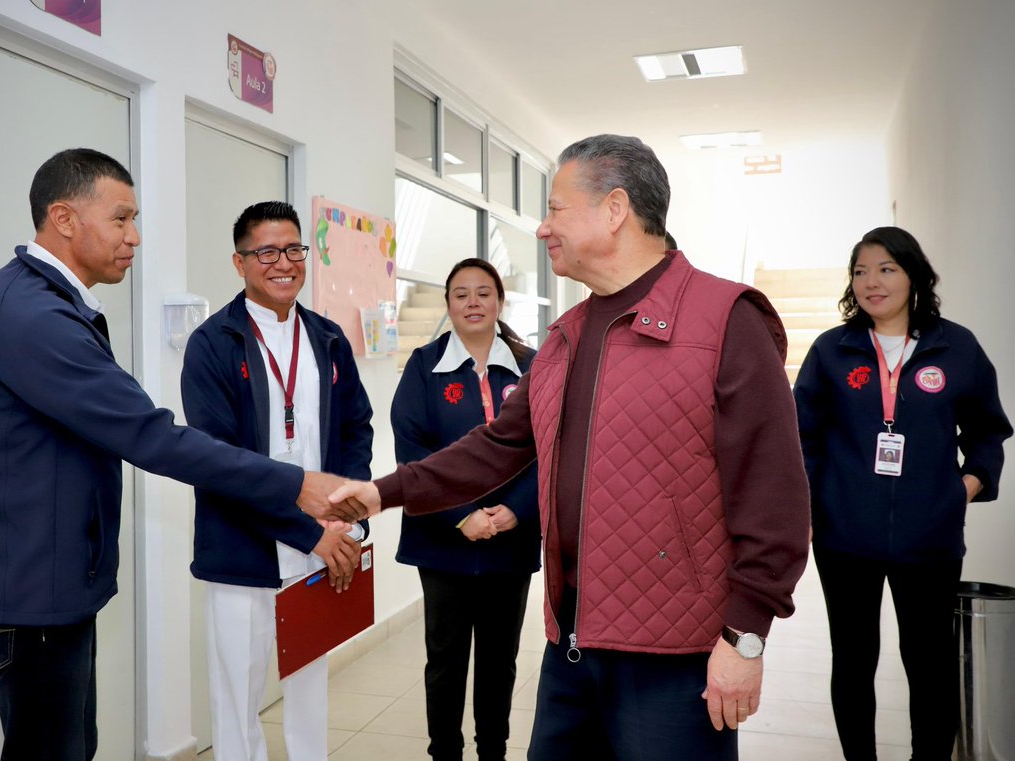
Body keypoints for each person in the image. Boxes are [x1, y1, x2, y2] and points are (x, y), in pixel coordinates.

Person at [329, 134, 810, 760]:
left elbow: (772, 492)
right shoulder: (568, 335)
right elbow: (500, 445)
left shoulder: (725, 319)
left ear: (614, 209)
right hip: (572, 643)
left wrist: (747, 635)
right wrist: (380, 493)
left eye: (556, 209)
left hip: (676, 653)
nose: (541, 228)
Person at [0, 150, 348, 761]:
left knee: (69, 743)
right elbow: (153, 436)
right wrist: (296, 486)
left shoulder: (51, 302)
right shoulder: (33, 314)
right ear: (64, 218)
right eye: (122, 219)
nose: (134, 238)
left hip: (52, 578)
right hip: (33, 583)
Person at [793, 226, 1010, 761]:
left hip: (930, 537)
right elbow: (801, 437)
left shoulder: (955, 347)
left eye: (886, 269)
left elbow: (988, 429)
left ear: (915, 276)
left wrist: (966, 486)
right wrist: (815, 504)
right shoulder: (832, 351)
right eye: (861, 271)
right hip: (844, 538)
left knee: (929, 663)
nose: (872, 282)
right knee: (853, 659)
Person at [180, 201, 372, 761]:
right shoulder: (213, 344)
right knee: (237, 696)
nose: (282, 262)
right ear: (240, 262)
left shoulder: (328, 338)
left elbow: (356, 426)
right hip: (244, 546)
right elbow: (220, 465)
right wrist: (310, 530)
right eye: (266, 251)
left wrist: (344, 512)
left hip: (321, 545)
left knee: (310, 686)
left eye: (293, 249)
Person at [391, 258, 541, 761]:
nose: (473, 302)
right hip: (443, 541)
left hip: (511, 538)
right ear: (448, 305)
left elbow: (552, 448)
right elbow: (412, 452)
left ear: (500, 301)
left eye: (483, 292)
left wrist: (517, 511)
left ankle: (493, 752)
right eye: (461, 294)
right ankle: (445, 754)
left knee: (500, 660)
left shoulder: (533, 366)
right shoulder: (423, 366)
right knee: (446, 659)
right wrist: (460, 516)